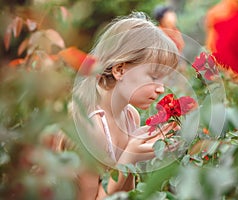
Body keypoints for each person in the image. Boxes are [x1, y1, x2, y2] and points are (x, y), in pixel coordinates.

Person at [72, 12, 180, 199]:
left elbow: (127, 193)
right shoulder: (93, 127)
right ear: (120, 70)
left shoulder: (131, 116)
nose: (161, 89)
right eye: (154, 77)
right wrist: (129, 156)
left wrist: (136, 147)